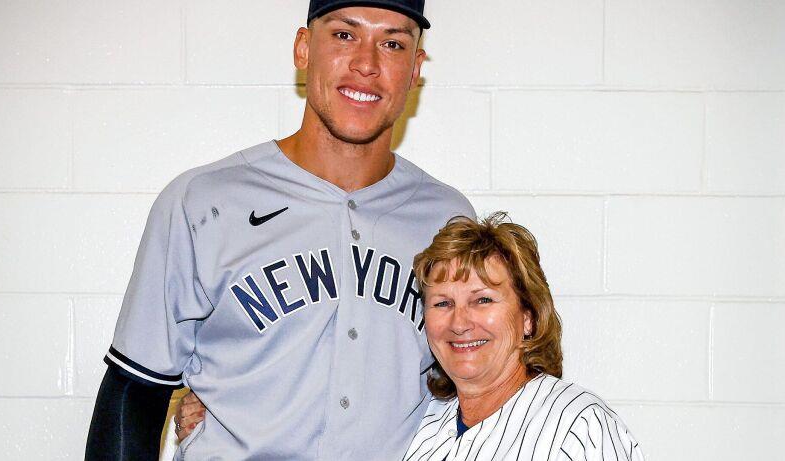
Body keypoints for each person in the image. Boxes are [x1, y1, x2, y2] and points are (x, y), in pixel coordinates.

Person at [84, 1, 475, 460]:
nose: (367, 63)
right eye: (344, 35)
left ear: (415, 70)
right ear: (303, 48)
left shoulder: (448, 219)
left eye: (392, 44)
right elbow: (135, 390)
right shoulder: (203, 201)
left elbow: (484, 377)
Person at [178, 213, 646, 460]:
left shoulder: (575, 426)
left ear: (527, 316)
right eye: (442, 303)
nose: (460, 322)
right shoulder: (425, 428)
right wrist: (224, 411)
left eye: (483, 300)